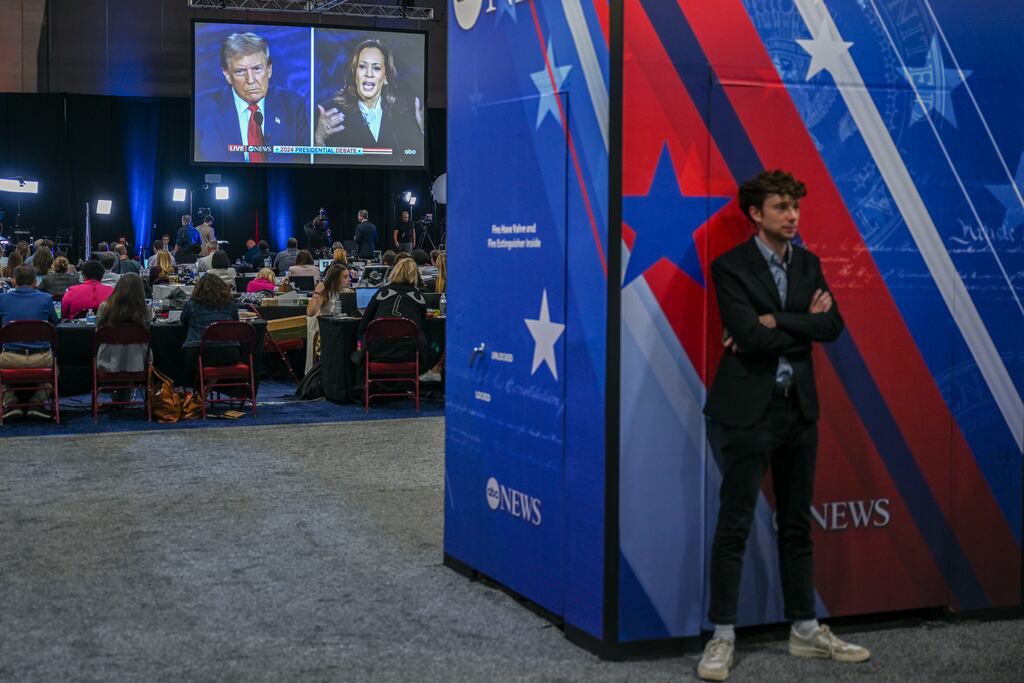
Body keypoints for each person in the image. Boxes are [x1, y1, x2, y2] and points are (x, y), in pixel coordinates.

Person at [697, 171, 863, 682]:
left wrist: (777, 322)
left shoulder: (809, 263)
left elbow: (831, 327)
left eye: (795, 207)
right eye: (781, 207)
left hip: (799, 410)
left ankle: (805, 630)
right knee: (735, 523)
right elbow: (746, 335)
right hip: (748, 411)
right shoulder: (730, 267)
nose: (792, 216)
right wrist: (794, 322)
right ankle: (722, 635)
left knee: (796, 524)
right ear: (756, 214)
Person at [194, 31, 308, 164]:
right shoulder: (202, 108)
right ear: (227, 75)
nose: (251, 80)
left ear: (269, 69)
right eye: (240, 71)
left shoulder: (292, 105)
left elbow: (304, 159)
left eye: (257, 69)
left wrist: (318, 140)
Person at [313, 38, 424, 161]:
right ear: (355, 74)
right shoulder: (330, 113)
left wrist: (422, 131)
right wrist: (319, 140)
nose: (369, 73)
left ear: (386, 77)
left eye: (376, 68)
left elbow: (415, 158)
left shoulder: (403, 114)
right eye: (362, 66)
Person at [0, 265, 59, 419]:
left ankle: (10, 402)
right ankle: (38, 401)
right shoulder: (46, 299)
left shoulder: (2, 299)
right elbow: (55, 323)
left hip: (9, 359)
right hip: (41, 359)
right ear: (34, 282)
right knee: (57, 367)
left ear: (13, 281)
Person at [357, 258, 437, 370]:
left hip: (378, 350)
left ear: (395, 272)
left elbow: (363, 325)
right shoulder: (419, 298)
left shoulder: (381, 293)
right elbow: (422, 325)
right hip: (409, 351)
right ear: (415, 275)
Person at [180, 272, 241, 385]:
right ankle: (207, 390)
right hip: (229, 353)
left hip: (198, 353)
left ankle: (199, 394)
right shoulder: (230, 304)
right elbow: (236, 324)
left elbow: (183, 322)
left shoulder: (191, 304)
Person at [96, 273, 151, 374]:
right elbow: (148, 332)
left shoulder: (104, 307)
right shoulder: (145, 310)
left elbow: (98, 331)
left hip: (107, 359)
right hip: (137, 361)